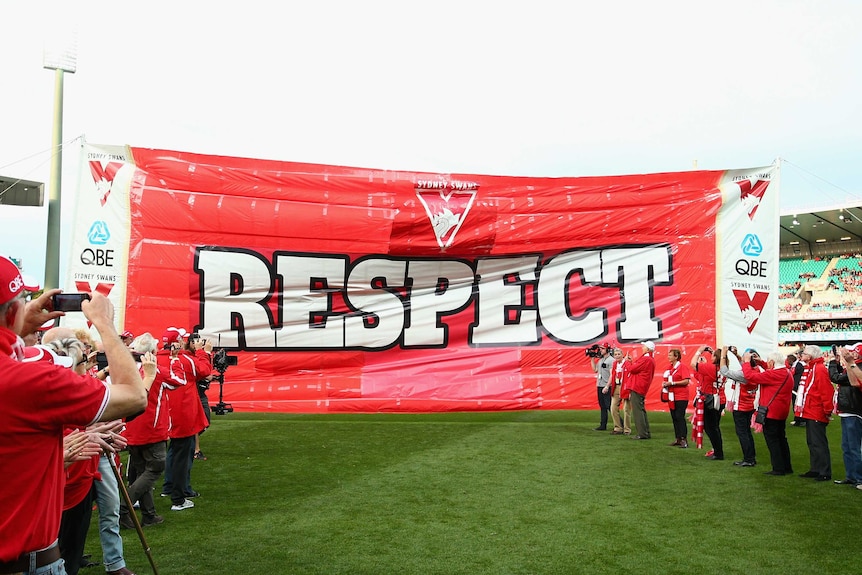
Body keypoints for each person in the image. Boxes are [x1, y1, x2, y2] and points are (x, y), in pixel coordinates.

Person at [0, 255, 147, 574]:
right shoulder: (32, 381)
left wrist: (19, 324)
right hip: (23, 561)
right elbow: (134, 396)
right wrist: (105, 325)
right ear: (12, 311)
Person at [158, 327, 212, 511]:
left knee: (173, 451)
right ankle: (179, 496)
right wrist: (204, 353)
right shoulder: (185, 359)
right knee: (182, 454)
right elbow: (204, 370)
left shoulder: (156, 357)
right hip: (183, 411)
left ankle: (168, 487)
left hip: (165, 410)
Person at [120, 333, 169, 528]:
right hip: (151, 429)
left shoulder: (126, 370)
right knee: (154, 469)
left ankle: (149, 514)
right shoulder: (158, 371)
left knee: (142, 472)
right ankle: (124, 506)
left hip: (132, 430)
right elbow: (180, 380)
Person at [742, 350, 794, 476]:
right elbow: (770, 369)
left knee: (773, 440)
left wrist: (747, 362)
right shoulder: (786, 372)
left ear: (772, 362)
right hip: (781, 411)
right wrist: (760, 362)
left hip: (771, 412)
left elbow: (750, 377)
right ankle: (786, 466)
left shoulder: (774, 374)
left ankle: (778, 468)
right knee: (781, 439)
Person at [794, 345, 834, 481]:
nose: (801, 355)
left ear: (810, 356)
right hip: (810, 409)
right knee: (812, 442)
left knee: (818, 442)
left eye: (803, 353)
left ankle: (824, 471)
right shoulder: (811, 368)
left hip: (816, 410)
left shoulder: (819, 369)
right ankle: (816, 468)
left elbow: (826, 390)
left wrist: (827, 410)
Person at [829, 343, 862, 486]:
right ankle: (851, 476)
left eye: (856, 352)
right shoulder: (854, 365)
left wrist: (836, 363)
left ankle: (858, 477)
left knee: (854, 447)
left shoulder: (857, 366)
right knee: (847, 447)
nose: (853, 354)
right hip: (848, 409)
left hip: (854, 410)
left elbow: (838, 378)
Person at [720, 346, 758, 467]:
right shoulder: (756, 370)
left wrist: (723, 355)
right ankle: (751, 457)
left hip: (741, 406)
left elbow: (724, 371)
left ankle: (748, 458)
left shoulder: (743, 375)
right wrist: (736, 355)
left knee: (743, 433)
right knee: (747, 432)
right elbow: (745, 367)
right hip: (749, 405)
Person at [690, 346, 724, 460]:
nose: (711, 357)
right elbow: (700, 376)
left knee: (711, 427)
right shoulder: (722, 368)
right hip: (719, 398)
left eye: (713, 355)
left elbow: (693, 363)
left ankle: (718, 452)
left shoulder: (712, 368)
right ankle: (717, 450)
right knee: (714, 427)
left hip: (711, 400)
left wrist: (699, 351)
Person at [627, 341, 656, 440]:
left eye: (644, 346)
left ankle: (642, 433)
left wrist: (627, 362)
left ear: (647, 349)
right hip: (642, 386)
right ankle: (645, 432)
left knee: (637, 410)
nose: (642, 348)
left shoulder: (646, 359)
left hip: (637, 386)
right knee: (641, 409)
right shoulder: (650, 359)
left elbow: (632, 369)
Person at [662, 348, 691, 448]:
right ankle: (678, 438)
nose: (668, 357)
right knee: (674, 417)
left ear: (676, 357)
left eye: (670, 355)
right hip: (672, 396)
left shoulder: (682, 367)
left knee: (679, 416)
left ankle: (684, 439)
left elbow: (686, 381)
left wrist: (673, 383)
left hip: (681, 396)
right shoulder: (670, 368)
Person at [590, 342, 614, 431]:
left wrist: (607, 386)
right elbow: (595, 370)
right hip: (600, 385)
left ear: (607, 349)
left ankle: (620, 424)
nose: (600, 350)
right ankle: (603, 425)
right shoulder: (601, 360)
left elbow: (612, 374)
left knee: (610, 406)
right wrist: (592, 359)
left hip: (606, 385)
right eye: (600, 348)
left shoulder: (611, 360)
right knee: (603, 406)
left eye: (602, 348)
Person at [609, 348, 632, 435]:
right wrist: (608, 386)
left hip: (625, 387)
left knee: (626, 409)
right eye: (616, 354)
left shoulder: (627, 363)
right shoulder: (614, 364)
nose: (617, 356)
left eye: (619, 354)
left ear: (623, 355)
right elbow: (613, 375)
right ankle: (618, 427)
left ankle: (627, 429)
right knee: (613, 408)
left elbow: (630, 375)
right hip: (616, 387)